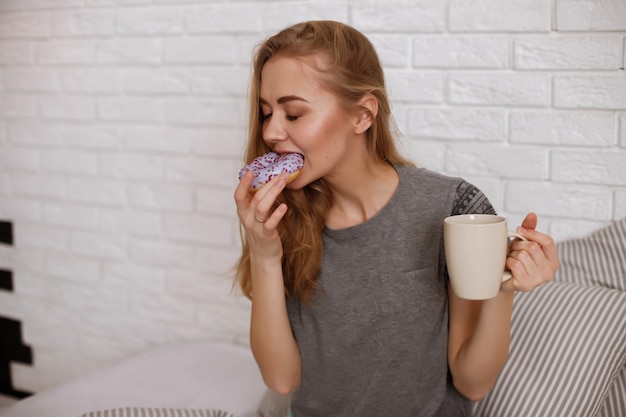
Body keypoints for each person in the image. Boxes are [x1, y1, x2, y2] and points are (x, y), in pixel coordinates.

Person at [234, 20, 559, 417]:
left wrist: (504, 286)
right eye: (267, 113)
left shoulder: (454, 208)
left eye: (294, 114)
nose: (270, 132)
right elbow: (282, 380)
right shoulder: (284, 214)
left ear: (362, 115)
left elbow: (473, 382)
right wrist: (265, 256)